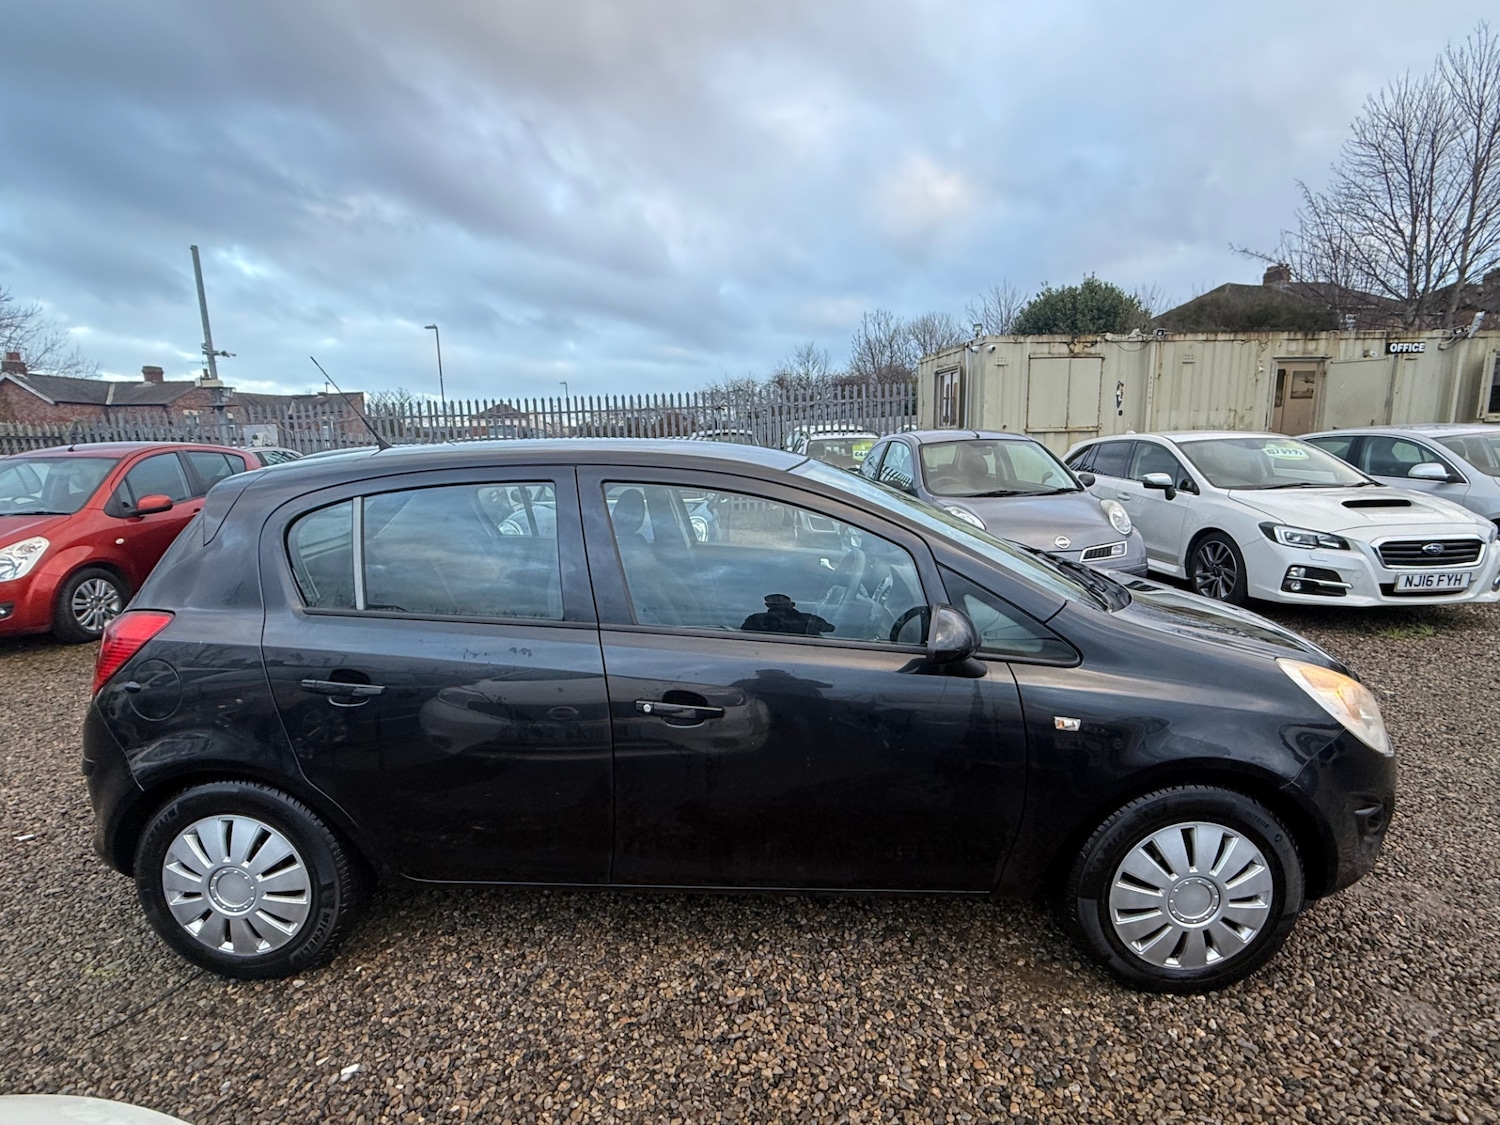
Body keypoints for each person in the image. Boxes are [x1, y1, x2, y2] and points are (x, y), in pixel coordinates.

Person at [740, 593, 835, 636]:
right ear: (767, 606)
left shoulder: (810, 619)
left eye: (783, 605)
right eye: (775, 605)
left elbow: (830, 629)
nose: (780, 608)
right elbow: (743, 635)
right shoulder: (755, 620)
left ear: (792, 605)